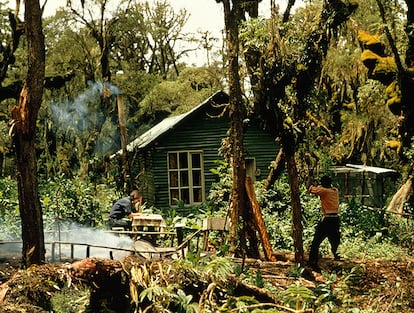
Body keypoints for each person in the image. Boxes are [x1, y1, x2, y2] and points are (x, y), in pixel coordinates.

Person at [307, 175, 341, 270]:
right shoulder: (335, 190)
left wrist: (310, 178)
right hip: (335, 218)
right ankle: (336, 255)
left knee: (316, 242)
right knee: (335, 239)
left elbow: (309, 188)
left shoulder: (323, 191)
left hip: (327, 219)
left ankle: (312, 262)